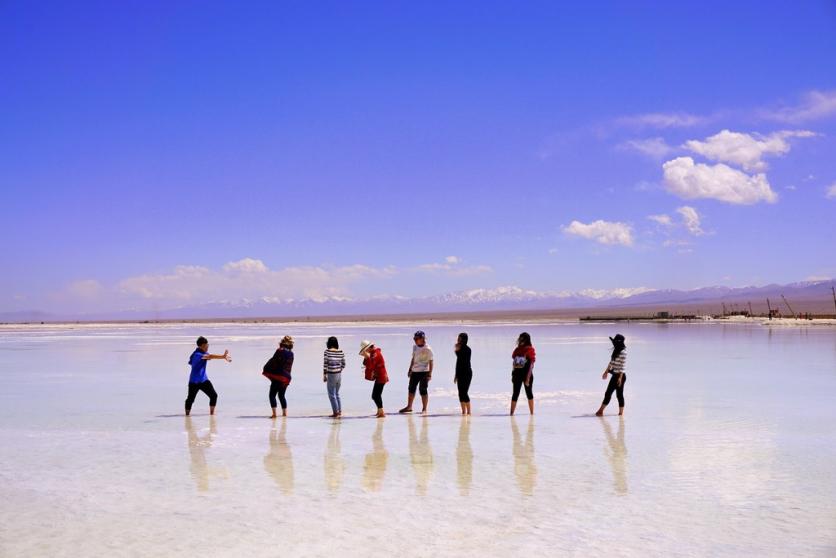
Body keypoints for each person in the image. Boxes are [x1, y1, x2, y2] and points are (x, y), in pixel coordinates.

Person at [185, 336, 231, 416]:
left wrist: (222, 357)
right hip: (194, 382)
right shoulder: (197, 354)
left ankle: (212, 414)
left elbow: (210, 356)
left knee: (214, 395)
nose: (207, 347)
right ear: (201, 346)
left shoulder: (203, 353)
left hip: (203, 380)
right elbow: (210, 356)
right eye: (206, 346)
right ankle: (187, 415)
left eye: (207, 345)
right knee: (190, 400)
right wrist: (222, 356)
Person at [399, 330, 434, 414]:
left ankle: (424, 409)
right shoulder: (415, 347)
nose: (415, 340)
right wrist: (410, 369)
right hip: (414, 371)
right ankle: (409, 406)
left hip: (424, 372)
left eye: (417, 338)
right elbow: (413, 358)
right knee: (411, 389)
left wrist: (430, 374)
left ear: (422, 339)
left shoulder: (428, 349)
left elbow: (431, 361)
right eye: (414, 338)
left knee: (423, 390)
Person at [262, 335, 295, 418]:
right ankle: (284, 414)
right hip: (287, 377)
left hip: (278, 376)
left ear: (282, 342)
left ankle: (274, 414)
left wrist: (266, 368)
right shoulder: (291, 354)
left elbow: (273, 361)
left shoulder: (279, 350)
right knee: (281, 395)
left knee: (272, 395)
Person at [596, 334, 627, 416]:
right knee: (608, 393)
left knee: (619, 395)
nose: (614, 344)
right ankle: (600, 411)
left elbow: (622, 366)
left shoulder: (623, 352)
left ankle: (621, 414)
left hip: (621, 376)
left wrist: (620, 378)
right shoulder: (616, 350)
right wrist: (606, 372)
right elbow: (611, 362)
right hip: (614, 375)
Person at [360, 339, 388, 418]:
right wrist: (366, 357)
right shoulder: (374, 353)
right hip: (381, 376)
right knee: (377, 395)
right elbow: (367, 363)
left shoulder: (375, 354)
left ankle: (381, 412)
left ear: (368, 348)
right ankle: (379, 411)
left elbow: (371, 366)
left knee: (375, 396)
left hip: (381, 376)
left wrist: (366, 357)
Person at [510, 332, 535, 416]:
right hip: (517, 375)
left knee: (529, 393)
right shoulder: (517, 349)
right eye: (520, 338)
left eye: (521, 338)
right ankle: (511, 414)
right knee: (515, 394)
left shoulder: (529, 349)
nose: (520, 340)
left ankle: (532, 413)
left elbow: (531, 364)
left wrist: (527, 378)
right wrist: (513, 374)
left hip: (526, 374)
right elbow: (514, 362)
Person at [323, 336, 346, 418]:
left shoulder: (327, 352)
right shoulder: (341, 352)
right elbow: (344, 364)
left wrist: (324, 375)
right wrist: (339, 369)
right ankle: (339, 411)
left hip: (331, 374)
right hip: (339, 374)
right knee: (337, 393)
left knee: (331, 394)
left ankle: (335, 413)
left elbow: (325, 364)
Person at [454, 332, 473, 415]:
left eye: (460, 338)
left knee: (464, 392)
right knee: (460, 393)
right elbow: (458, 363)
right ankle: (463, 411)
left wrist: (457, 350)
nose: (458, 340)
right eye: (458, 338)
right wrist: (456, 375)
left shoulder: (468, 350)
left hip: (467, 373)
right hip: (460, 373)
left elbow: (462, 359)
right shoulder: (459, 348)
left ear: (464, 340)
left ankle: (469, 412)